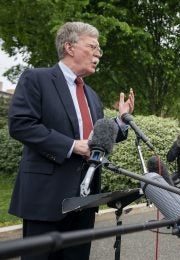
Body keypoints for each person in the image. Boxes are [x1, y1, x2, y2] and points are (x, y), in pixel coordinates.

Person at [7, 22, 135, 260]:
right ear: (69, 47)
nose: (98, 53)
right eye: (93, 46)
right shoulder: (37, 78)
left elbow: (98, 139)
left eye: (99, 49)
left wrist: (120, 122)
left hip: (85, 200)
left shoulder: (92, 96)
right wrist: (71, 145)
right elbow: (21, 124)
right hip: (45, 197)